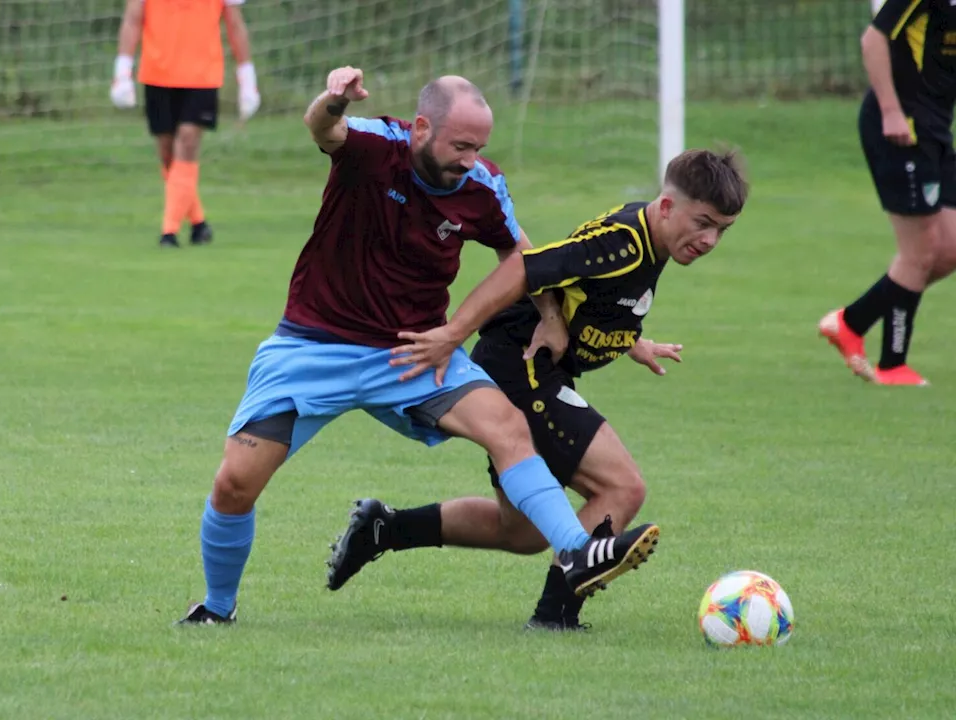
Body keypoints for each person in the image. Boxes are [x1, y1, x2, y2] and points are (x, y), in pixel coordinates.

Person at [177, 66, 660, 625]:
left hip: (414, 353)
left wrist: (550, 312)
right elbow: (321, 130)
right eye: (460, 145)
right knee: (234, 483)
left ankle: (576, 552)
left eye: (479, 146)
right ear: (422, 128)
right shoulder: (376, 145)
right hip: (313, 345)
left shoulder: (481, 186)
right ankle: (216, 609)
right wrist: (332, 100)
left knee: (507, 428)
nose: (469, 158)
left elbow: (520, 258)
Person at [325, 149, 748, 630]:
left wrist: (631, 340)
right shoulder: (622, 243)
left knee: (522, 530)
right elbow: (524, 267)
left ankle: (384, 528)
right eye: (704, 223)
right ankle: (556, 617)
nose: (710, 239)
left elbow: (593, 296)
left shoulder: (653, 240)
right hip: (521, 365)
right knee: (621, 486)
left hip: (533, 367)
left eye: (722, 230)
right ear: (668, 207)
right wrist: (452, 333)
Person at [820, 0, 956, 386]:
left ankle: (851, 322)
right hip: (900, 125)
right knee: (921, 250)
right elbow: (873, 40)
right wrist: (892, 110)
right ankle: (893, 365)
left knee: (949, 248)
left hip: (936, 129)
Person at [110, 0, 259, 248]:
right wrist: (122, 72)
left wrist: (247, 77)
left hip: (203, 75)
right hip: (157, 73)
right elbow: (133, 18)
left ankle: (169, 232)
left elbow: (235, 23)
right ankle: (199, 223)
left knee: (188, 141)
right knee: (168, 156)